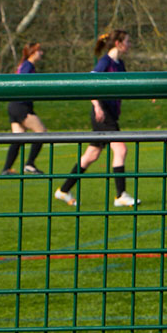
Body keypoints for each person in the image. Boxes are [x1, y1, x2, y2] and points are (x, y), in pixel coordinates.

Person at [55, 30, 135, 207]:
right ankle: (121, 195)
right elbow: (90, 82)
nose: (130, 45)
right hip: (102, 113)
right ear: (118, 43)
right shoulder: (105, 62)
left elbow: (127, 86)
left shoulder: (120, 64)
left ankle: (64, 190)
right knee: (120, 149)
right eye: (128, 41)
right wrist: (97, 106)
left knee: (92, 154)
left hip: (110, 114)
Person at [0, 42, 47, 174]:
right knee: (42, 132)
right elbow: (23, 84)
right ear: (32, 52)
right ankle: (30, 164)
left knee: (18, 138)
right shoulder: (28, 66)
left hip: (14, 106)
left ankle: (6, 168)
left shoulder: (24, 65)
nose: (41, 53)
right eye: (39, 51)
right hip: (21, 106)